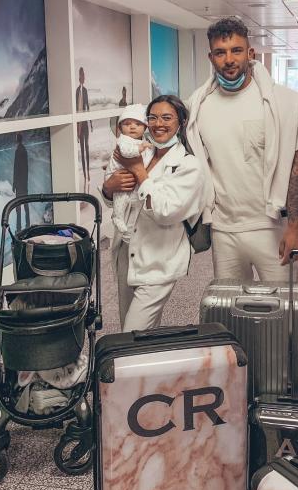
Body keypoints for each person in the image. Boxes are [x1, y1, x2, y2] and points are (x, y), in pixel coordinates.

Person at [187, 17, 298, 282]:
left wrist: (296, 226)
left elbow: (296, 166)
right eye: (220, 52)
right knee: (233, 313)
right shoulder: (198, 107)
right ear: (211, 57)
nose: (229, 59)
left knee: (286, 312)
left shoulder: (281, 103)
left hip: (271, 226)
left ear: (250, 53)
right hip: (224, 230)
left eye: (236, 50)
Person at [101, 95, 205, 332]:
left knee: (132, 333)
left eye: (167, 118)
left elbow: (165, 211)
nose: (159, 124)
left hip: (159, 261)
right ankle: (147, 369)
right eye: (153, 117)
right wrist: (109, 188)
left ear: (181, 122)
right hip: (127, 252)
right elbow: (120, 198)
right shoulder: (140, 151)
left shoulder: (188, 165)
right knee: (138, 332)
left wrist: (138, 170)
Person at [105, 103, 154, 239]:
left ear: (145, 127)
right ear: (120, 128)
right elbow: (126, 153)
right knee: (121, 197)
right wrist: (140, 148)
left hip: (131, 179)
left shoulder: (144, 141)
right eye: (127, 124)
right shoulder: (124, 140)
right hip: (119, 176)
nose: (132, 127)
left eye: (137, 124)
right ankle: (117, 216)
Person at [76, 67, 93, 193]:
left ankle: (88, 172)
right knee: (82, 150)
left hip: (85, 124)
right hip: (79, 125)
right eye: (82, 76)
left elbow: (87, 106)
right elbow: (77, 108)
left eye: (84, 75)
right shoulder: (77, 91)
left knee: (86, 147)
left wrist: (90, 122)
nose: (84, 78)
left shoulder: (85, 91)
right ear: (79, 77)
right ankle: (84, 174)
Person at [12, 133, 29, 230]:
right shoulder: (24, 150)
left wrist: (14, 184)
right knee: (26, 205)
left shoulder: (18, 151)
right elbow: (26, 168)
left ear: (17, 140)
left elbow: (16, 169)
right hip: (24, 183)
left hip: (19, 184)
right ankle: (28, 224)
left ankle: (19, 228)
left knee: (18, 207)